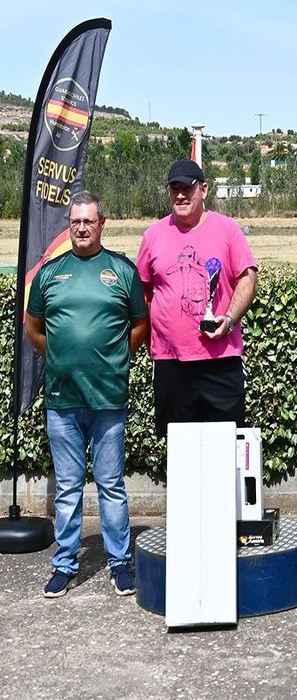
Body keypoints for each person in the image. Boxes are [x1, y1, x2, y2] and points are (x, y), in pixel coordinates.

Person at [24, 191, 149, 598]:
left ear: (102, 223)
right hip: (62, 400)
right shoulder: (49, 272)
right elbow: (33, 327)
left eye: (88, 221)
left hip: (108, 399)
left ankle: (119, 562)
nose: (81, 228)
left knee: (111, 485)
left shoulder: (122, 271)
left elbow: (139, 326)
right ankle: (65, 564)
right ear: (69, 225)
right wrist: (59, 357)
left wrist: (112, 360)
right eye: (75, 221)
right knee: (68, 488)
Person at [136, 160, 258, 434]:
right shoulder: (153, 235)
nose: (180, 195)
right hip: (171, 364)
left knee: (226, 448)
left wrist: (229, 318)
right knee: (180, 453)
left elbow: (247, 278)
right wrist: (151, 341)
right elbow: (142, 292)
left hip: (220, 362)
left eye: (187, 189)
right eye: (174, 189)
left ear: (204, 190)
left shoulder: (227, 230)